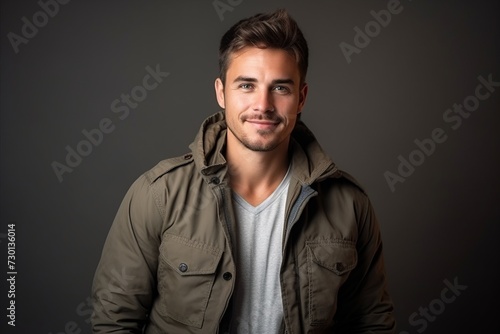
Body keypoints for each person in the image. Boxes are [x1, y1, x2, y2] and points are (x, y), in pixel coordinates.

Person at [91, 9, 395, 333]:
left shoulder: (349, 204)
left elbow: (371, 322)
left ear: (301, 97)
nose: (263, 105)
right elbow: (114, 321)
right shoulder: (158, 195)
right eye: (247, 85)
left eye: (280, 88)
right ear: (221, 92)